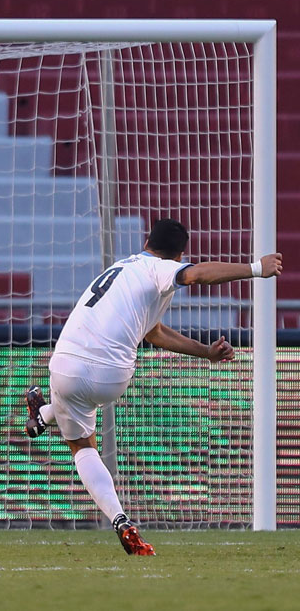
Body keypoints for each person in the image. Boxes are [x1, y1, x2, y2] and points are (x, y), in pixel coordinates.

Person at [25, 218, 282, 555]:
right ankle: (42, 415)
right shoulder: (161, 269)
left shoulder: (121, 267)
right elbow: (195, 277)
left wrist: (204, 352)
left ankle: (117, 517)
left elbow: (154, 331)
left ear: (147, 241)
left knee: (81, 447)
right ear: (179, 255)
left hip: (66, 362)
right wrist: (255, 268)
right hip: (111, 375)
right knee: (80, 411)